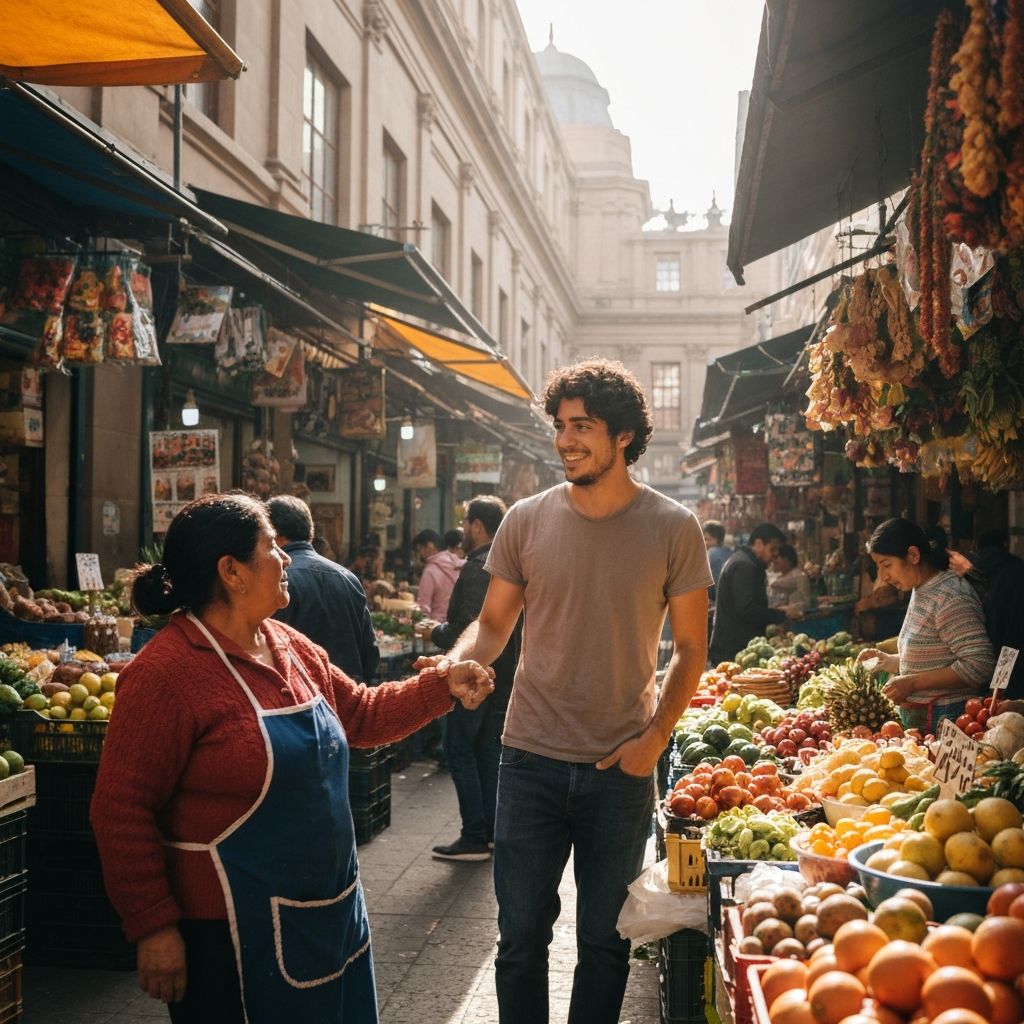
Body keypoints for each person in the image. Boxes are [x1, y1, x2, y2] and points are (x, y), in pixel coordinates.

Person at [90, 493, 493, 1024]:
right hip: (228, 933)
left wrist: (442, 685)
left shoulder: (287, 644)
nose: (286, 559)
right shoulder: (164, 672)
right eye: (271, 548)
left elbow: (361, 714)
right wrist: (153, 925)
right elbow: (121, 808)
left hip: (330, 912)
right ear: (231, 571)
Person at [419, 358, 711, 1023]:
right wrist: (462, 664)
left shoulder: (673, 527)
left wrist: (653, 742)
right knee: (520, 940)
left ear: (626, 437)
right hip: (528, 761)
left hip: (620, 767)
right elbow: (492, 625)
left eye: (583, 426)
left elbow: (692, 649)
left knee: (605, 945)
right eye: (560, 425)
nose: (565, 439)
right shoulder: (525, 520)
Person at [416, 495, 521, 862]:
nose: (462, 528)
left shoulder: (482, 567)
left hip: (478, 677)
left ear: (478, 525)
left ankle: (475, 835)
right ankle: (489, 833)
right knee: (486, 752)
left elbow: (474, 627)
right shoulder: (506, 562)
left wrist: (436, 634)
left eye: (465, 522)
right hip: (501, 674)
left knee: (461, 750)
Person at [856, 517, 995, 709]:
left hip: (949, 718)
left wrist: (912, 683)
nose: (883, 576)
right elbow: (934, 659)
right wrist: (891, 661)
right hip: (922, 722)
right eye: (878, 566)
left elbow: (979, 665)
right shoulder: (921, 588)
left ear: (913, 555)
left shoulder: (950, 596)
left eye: (886, 565)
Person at [266, 494, 379, 683]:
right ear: (310, 532)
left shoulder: (278, 578)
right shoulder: (347, 577)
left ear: (274, 533)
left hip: (299, 695)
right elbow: (370, 652)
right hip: (348, 692)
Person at [949, 529, 1024, 698]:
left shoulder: (967, 570)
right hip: (1013, 643)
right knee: (1007, 702)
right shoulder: (1018, 568)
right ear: (1005, 544)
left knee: (984, 709)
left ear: (976, 546)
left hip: (981, 644)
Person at [708, 523, 788, 666]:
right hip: (733, 651)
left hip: (737, 649)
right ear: (758, 544)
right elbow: (746, 609)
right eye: (773, 548)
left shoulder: (746, 561)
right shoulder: (744, 566)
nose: (776, 554)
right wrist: (780, 614)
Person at [412, 529, 464, 620]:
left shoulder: (430, 571)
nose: (420, 554)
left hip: (437, 625)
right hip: (458, 624)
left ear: (430, 546)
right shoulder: (458, 564)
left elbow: (423, 607)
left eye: (420, 549)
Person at [768, 543, 811, 617]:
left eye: (776, 558)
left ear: (787, 559)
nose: (773, 561)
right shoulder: (777, 577)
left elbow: (807, 603)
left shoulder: (799, 575)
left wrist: (787, 609)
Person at [703, 520, 732, 597]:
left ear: (718, 539)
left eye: (708, 539)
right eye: (705, 539)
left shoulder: (711, 553)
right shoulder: (730, 552)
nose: (706, 543)